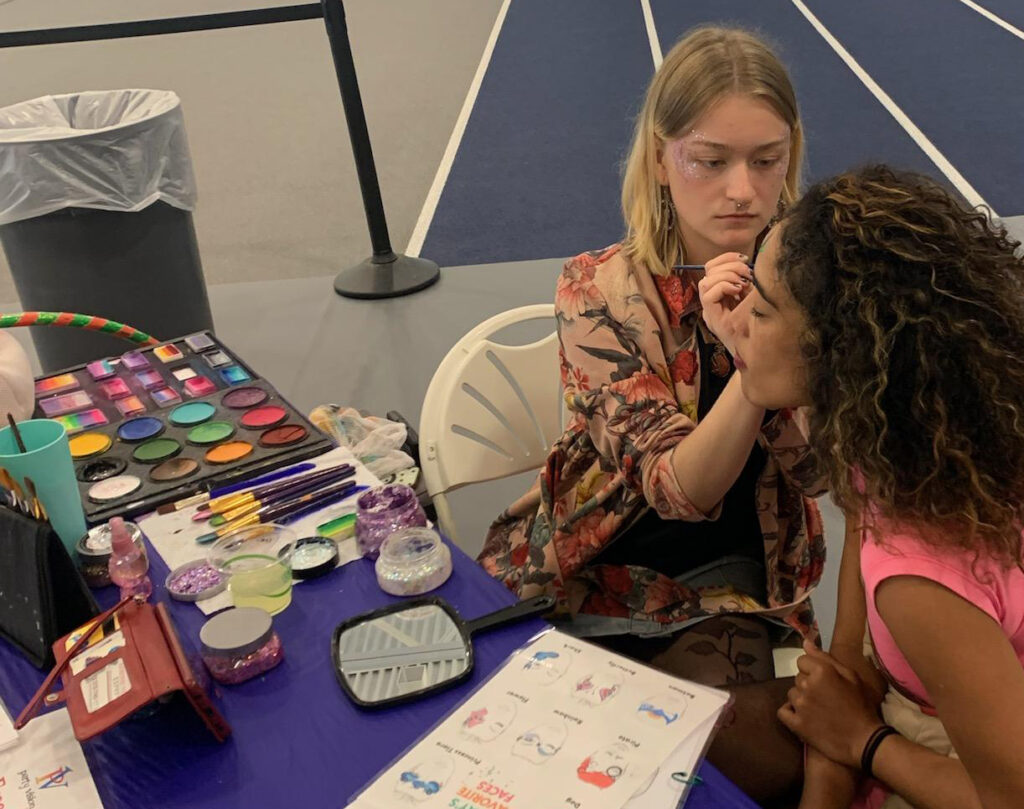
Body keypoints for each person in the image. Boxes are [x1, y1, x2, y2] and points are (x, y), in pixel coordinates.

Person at [477, 26, 826, 802]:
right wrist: (753, 365)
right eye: (711, 160)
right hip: (597, 570)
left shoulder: (813, 287)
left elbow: (822, 469)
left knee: (743, 763)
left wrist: (760, 335)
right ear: (663, 157)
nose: (741, 189)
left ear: (791, 155)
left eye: (766, 161)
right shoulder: (598, 290)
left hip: (734, 582)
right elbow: (677, 489)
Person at [729, 164, 1024, 809]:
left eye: (763, 305)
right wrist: (829, 765)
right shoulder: (906, 442)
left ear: (839, 352)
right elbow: (851, 642)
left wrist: (862, 742)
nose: (739, 320)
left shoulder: (920, 581)